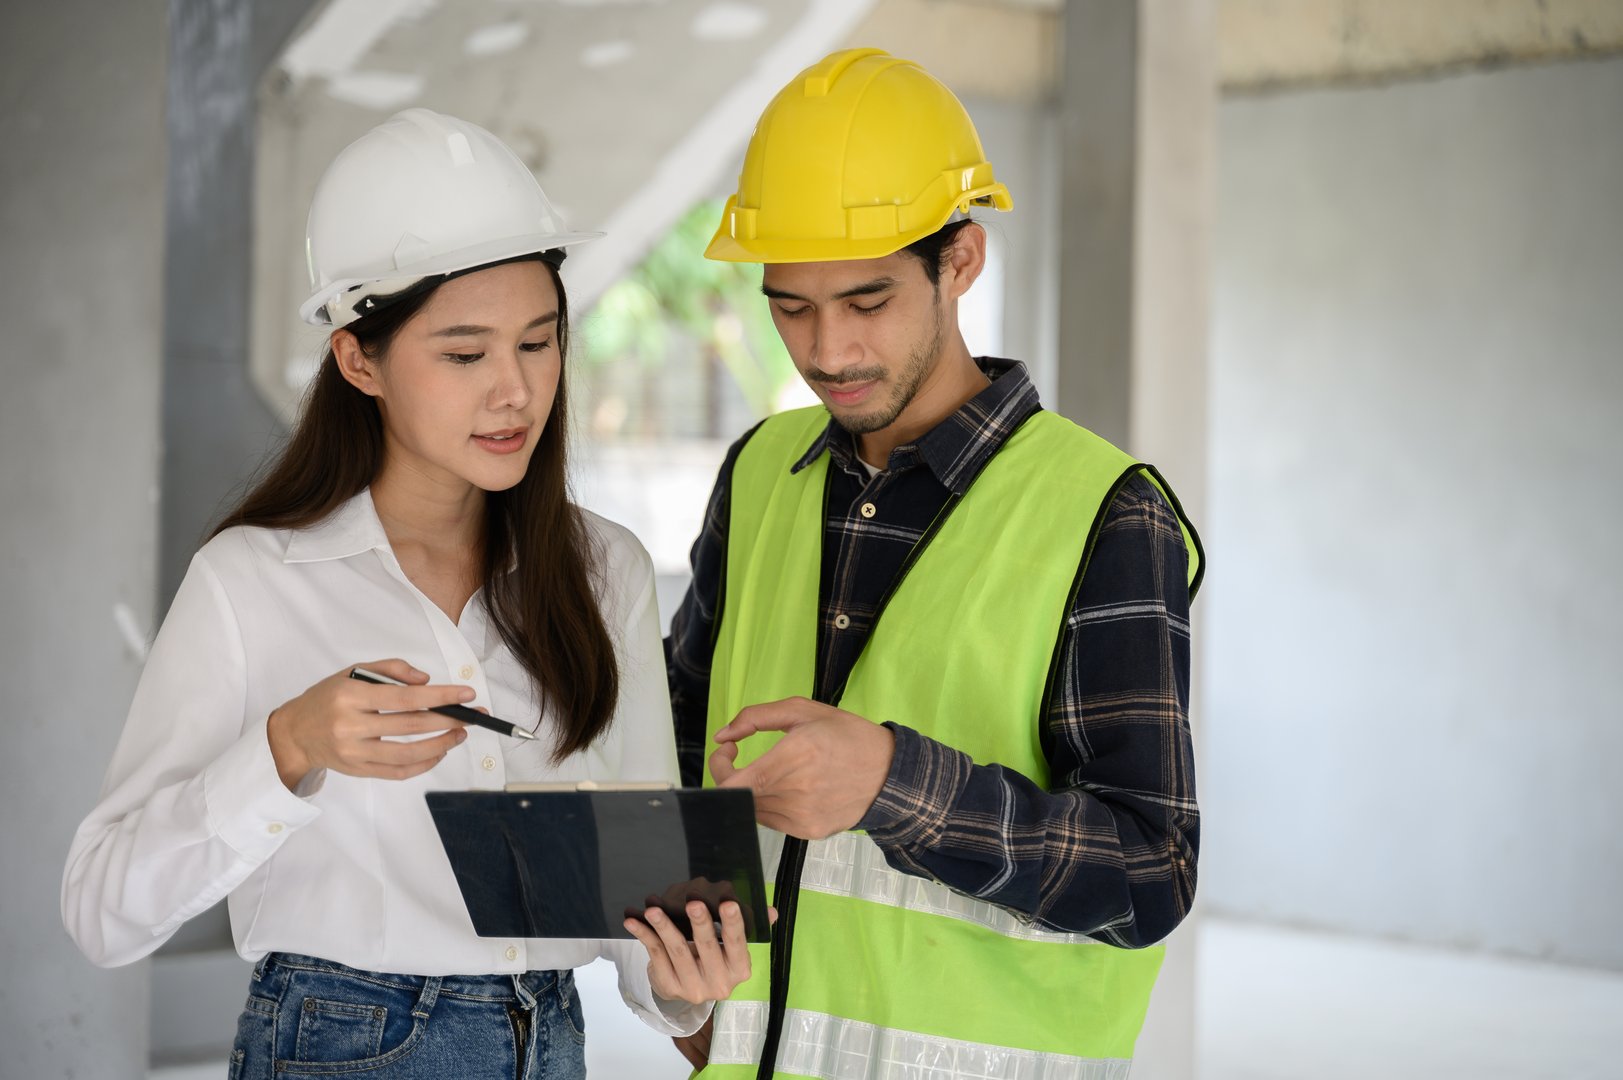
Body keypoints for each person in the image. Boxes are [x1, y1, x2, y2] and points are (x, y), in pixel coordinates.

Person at [62, 109, 753, 1079]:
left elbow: (640, 917)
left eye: (539, 342)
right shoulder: (254, 581)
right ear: (358, 358)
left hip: (552, 1042)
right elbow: (103, 910)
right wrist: (289, 748)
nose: (514, 390)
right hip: (340, 1046)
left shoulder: (608, 572)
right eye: (465, 355)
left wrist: (685, 974)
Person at [664, 48, 1205, 1078]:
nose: (825, 351)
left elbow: (1148, 871)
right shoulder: (763, 471)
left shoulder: (1104, 513)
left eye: (866, 302)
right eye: (790, 305)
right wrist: (681, 987)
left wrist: (893, 781)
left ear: (960, 261)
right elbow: (683, 744)